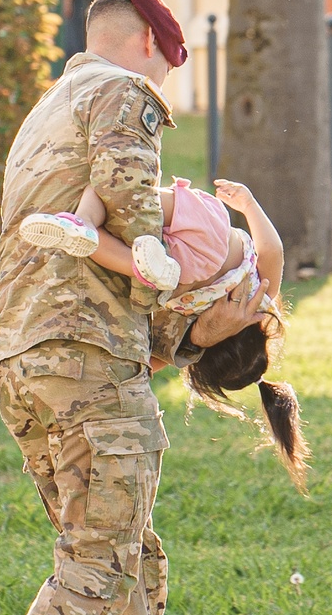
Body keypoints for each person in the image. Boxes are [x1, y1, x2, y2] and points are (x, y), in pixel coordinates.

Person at [0, 0, 261, 615]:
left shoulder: (46, 110)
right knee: (98, 552)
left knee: (126, 554)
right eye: (171, 67)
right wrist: (174, 275)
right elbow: (127, 195)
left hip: (25, 358)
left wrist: (187, 336)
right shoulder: (123, 93)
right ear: (150, 45)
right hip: (84, 357)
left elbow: (76, 257)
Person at [19, 174, 310, 491]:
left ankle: (86, 219)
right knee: (126, 261)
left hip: (207, 236)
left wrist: (248, 204)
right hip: (176, 277)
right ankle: (100, 240)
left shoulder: (262, 301)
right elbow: (141, 367)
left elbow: (273, 249)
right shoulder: (193, 338)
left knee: (126, 192)